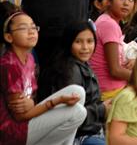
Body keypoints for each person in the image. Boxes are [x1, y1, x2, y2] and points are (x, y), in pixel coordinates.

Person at [0, 11, 87, 145]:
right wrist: (58, 101)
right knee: (78, 112)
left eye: (34, 27)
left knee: (78, 92)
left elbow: (31, 98)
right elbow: (20, 116)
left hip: (27, 120)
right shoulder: (9, 65)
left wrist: (33, 103)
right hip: (14, 132)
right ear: (9, 37)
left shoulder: (29, 59)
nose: (32, 32)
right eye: (24, 28)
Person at [38, 21, 109, 145]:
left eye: (90, 41)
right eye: (78, 42)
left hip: (92, 131)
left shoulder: (80, 63)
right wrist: (102, 109)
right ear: (68, 43)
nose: (85, 47)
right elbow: (70, 117)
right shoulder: (70, 71)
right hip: (78, 137)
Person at [89, 0, 137, 101]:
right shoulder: (109, 24)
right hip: (109, 92)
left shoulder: (108, 21)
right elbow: (115, 70)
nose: (126, 3)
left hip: (113, 88)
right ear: (109, 1)